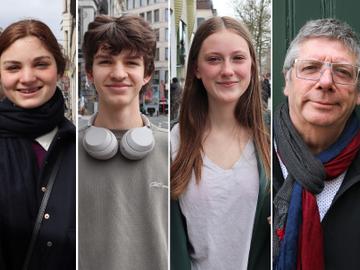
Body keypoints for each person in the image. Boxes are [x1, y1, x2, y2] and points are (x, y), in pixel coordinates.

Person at [170, 16, 271, 270]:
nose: (227, 70)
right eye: (214, 59)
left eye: (238, 58)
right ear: (196, 69)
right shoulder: (173, 142)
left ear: (252, 66)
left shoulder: (273, 140)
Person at [78, 15, 168, 270]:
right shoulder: (66, 154)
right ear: (89, 72)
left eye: (131, 62)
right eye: (106, 61)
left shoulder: (174, 150)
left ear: (147, 73)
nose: (119, 73)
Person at [273, 18, 360, 270]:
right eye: (310, 68)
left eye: (343, 72)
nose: (325, 82)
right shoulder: (254, 155)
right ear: (286, 82)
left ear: (357, 93)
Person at [0, 19, 75, 269]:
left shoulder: (82, 146)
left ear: (59, 68)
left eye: (41, 64)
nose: (28, 77)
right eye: (13, 67)